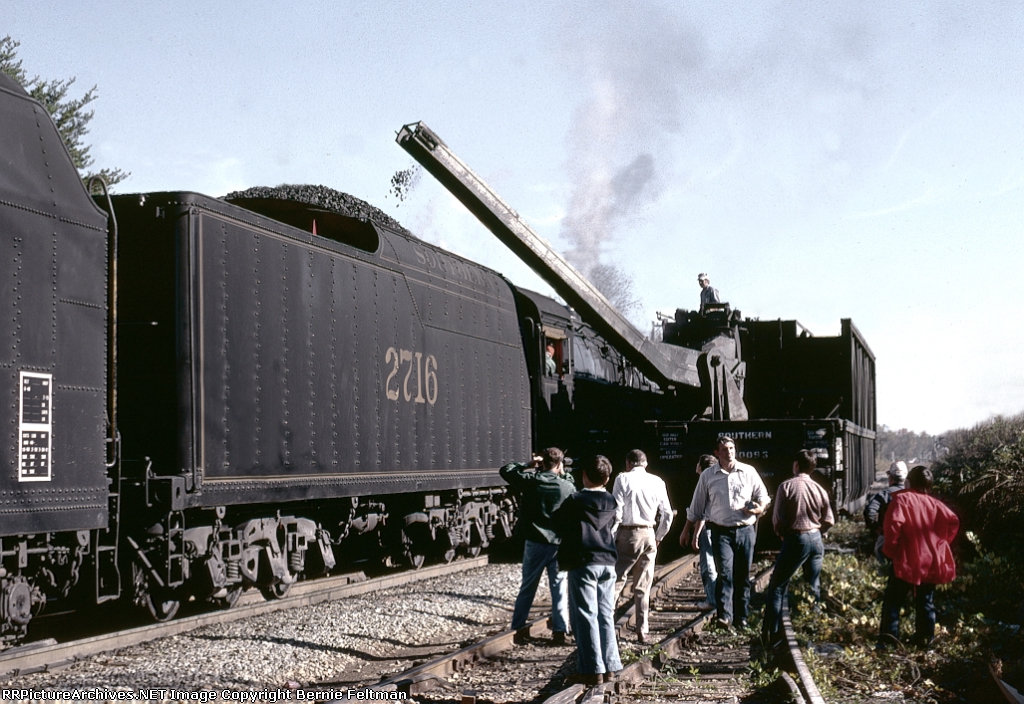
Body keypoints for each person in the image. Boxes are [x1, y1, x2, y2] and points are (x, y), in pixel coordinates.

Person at [685, 436, 770, 629]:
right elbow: (696, 506)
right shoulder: (708, 475)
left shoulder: (748, 472)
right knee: (725, 572)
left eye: (731, 448)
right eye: (724, 449)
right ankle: (725, 616)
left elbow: (763, 496)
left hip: (745, 530)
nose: (729, 452)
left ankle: (742, 617)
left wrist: (758, 508)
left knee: (742, 575)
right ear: (717, 453)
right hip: (720, 531)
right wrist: (686, 530)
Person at [553, 455, 623, 686]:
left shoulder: (575, 500)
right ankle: (611, 665)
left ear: (583, 475)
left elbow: (557, 523)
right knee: (605, 614)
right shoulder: (612, 501)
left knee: (586, 615)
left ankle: (592, 669)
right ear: (608, 477)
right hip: (607, 562)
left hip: (584, 562)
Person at [500, 447, 576, 645]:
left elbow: (506, 471)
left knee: (527, 587)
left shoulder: (531, 482)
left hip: (534, 543)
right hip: (558, 544)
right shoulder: (566, 486)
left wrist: (528, 465)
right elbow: (571, 484)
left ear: (542, 463)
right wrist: (562, 471)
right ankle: (560, 631)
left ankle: (518, 627)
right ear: (559, 465)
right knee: (559, 588)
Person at [878, 466, 959, 649]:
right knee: (926, 602)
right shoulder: (936, 504)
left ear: (908, 482)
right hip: (929, 562)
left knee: (893, 601)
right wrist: (942, 542)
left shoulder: (901, 500)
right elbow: (954, 521)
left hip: (906, 561)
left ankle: (888, 642)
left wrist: (889, 551)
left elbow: (893, 528)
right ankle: (925, 641)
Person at [762, 450, 835, 647]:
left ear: (796, 465)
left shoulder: (786, 486)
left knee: (777, 586)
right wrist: (819, 532)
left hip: (797, 538)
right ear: (813, 468)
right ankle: (813, 631)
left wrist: (784, 535)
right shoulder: (820, 489)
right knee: (813, 585)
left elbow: (777, 520)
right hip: (816, 539)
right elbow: (829, 520)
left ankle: (771, 634)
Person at [612, 449, 674, 643]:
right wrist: (659, 536)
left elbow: (617, 511)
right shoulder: (657, 481)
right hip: (649, 533)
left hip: (628, 533)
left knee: (616, 582)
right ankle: (642, 629)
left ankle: (604, 624)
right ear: (645, 463)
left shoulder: (622, 479)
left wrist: (612, 537)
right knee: (643, 586)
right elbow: (668, 514)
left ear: (628, 463)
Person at [678, 454, 719, 611]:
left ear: (701, 467)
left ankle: (712, 600)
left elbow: (700, 512)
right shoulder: (717, 481)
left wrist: (692, 533)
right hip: (719, 527)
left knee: (708, 565)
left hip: (707, 528)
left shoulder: (705, 482)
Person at [864, 461, 908, 567]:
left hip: (886, 536)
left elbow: (870, 511)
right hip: (908, 538)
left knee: (883, 565)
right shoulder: (911, 494)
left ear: (890, 478)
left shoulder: (884, 494)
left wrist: (876, 528)